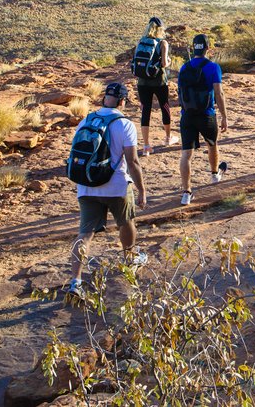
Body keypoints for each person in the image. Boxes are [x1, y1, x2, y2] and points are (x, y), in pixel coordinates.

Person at [67, 82, 147, 298]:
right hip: (116, 185)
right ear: (122, 101)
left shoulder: (86, 120)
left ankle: (75, 282)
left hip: (86, 185)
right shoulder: (125, 124)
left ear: (105, 99)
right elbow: (133, 162)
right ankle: (130, 260)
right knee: (126, 222)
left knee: (85, 233)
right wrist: (141, 190)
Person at [177, 34, 228, 205]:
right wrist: (224, 116)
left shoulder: (184, 67)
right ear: (208, 48)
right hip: (206, 114)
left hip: (187, 115)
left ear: (194, 48)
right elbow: (219, 93)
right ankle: (214, 175)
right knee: (212, 143)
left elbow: (180, 92)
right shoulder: (213, 67)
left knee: (186, 154)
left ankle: (186, 193)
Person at [131, 16, 178, 155]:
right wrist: (169, 61)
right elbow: (164, 63)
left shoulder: (141, 41)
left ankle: (146, 146)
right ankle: (168, 138)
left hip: (142, 82)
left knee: (145, 110)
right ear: (160, 29)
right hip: (159, 81)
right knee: (164, 106)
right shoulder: (162, 43)